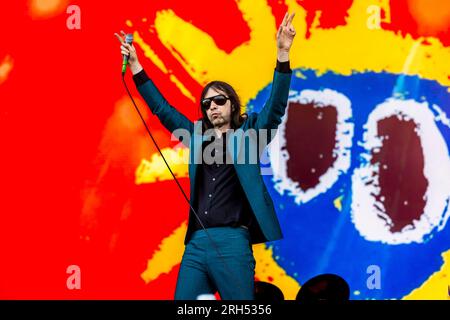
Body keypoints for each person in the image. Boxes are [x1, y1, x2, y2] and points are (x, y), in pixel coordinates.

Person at [115, 11, 296, 300]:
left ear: (232, 105)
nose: (212, 106)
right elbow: (163, 110)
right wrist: (137, 68)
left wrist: (283, 55)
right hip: (197, 242)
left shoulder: (250, 133)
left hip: (232, 240)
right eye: (207, 103)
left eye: (219, 100)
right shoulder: (197, 136)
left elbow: (275, 108)